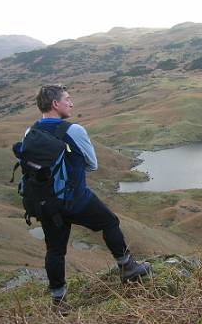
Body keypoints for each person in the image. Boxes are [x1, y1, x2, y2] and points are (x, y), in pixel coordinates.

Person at [29, 85, 151, 309]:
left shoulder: (30, 132)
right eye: (67, 99)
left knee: (55, 250)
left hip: (47, 204)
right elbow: (92, 165)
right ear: (55, 104)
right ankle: (128, 267)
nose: (71, 103)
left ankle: (58, 300)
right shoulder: (73, 130)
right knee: (110, 222)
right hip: (76, 199)